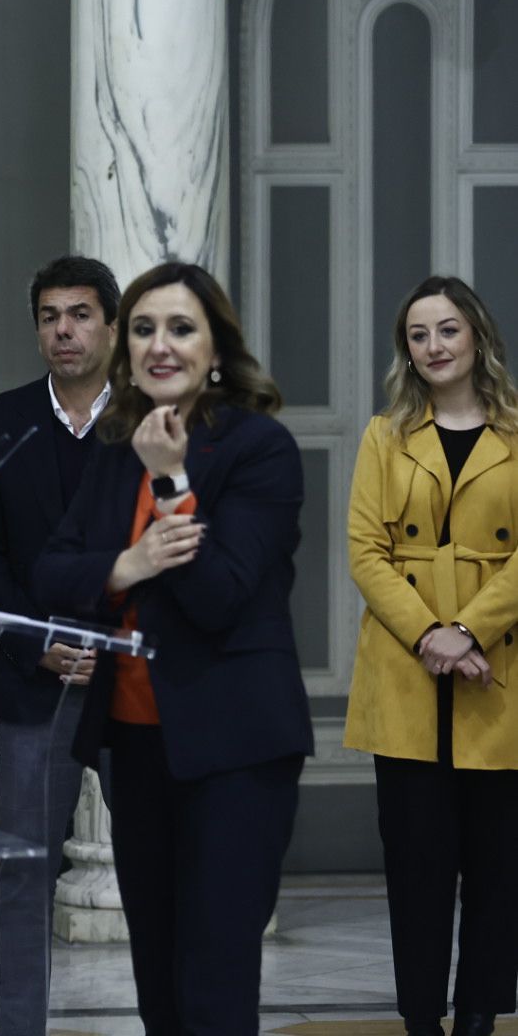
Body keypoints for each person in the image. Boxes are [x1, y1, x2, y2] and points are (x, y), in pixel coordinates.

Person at [35, 261, 312, 1034]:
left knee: (214, 980)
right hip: (137, 745)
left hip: (236, 751)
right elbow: (54, 568)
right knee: (157, 976)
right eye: (146, 329)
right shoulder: (115, 446)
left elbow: (221, 593)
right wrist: (126, 566)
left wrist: (171, 483)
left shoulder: (261, 449)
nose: (162, 346)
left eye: (182, 329)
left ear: (216, 348)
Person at [343, 276, 518, 1036]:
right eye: (418, 335)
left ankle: (479, 1013)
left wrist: (471, 632)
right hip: (407, 670)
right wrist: (430, 637)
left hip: (498, 669)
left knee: (497, 866)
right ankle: (421, 1018)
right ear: (405, 351)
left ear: (477, 336)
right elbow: (365, 551)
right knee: (415, 867)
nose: (434, 346)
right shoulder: (384, 435)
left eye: (447, 330)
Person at [0, 254, 119, 1036]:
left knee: (164, 871)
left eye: (81, 314)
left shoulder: (153, 422)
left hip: (133, 681)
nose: (65, 330)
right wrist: (39, 638)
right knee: (24, 876)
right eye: (51, 316)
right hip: (35, 679)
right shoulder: (2, 421)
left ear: (112, 326)